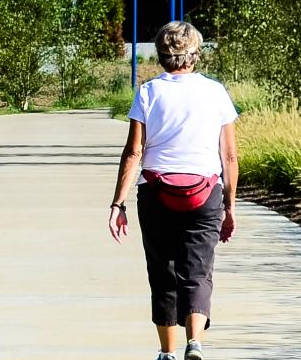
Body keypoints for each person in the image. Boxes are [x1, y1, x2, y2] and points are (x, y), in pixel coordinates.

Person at [107, 21, 239, 360]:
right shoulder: (215, 92)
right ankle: (195, 343)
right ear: (195, 55)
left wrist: (118, 203)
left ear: (162, 56)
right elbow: (229, 155)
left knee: (162, 271)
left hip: (156, 193)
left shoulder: (149, 92)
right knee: (197, 271)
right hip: (205, 193)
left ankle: (167, 352)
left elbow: (134, 151)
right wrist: (229, 207)